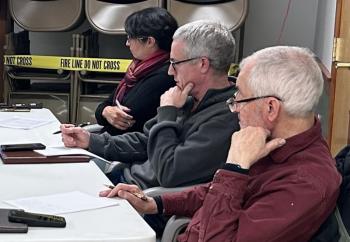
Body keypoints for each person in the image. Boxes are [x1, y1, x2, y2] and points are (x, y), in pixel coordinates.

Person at [100, 46, 342, 242]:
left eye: (240, 98)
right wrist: (155, 203)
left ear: (270, 107)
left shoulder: (305, 182)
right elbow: (213, 191)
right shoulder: (272, 141)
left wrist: (235, 167)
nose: (234, 107)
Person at [61, 20, 239, 190]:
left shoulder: (227, 117)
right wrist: (91, 140)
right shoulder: (188, 99)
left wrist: (168, 113)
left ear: (202, 64)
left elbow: (170, 172)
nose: (170, 71)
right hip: (124, 180)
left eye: (175, 63)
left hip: (143, 200)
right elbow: (145, 142)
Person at [95, 7, 177, 135]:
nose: (127, 43)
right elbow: (106, 104)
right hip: (113, 141)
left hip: (125, 146)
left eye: (130, 37)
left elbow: (127, 119)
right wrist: (105, 111)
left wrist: (106, 112)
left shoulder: (164, 75)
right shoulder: (137, 69)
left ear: (150, 41)